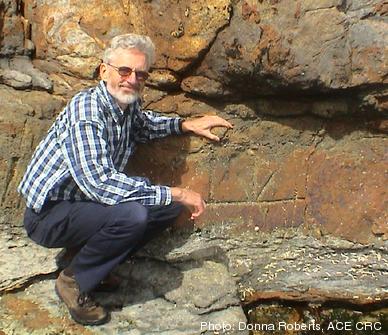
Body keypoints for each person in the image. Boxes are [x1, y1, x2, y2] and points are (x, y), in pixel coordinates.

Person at [17, 33, 233, 326]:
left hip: (85, 207)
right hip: (50, 214)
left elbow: (144, 125)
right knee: (135, 214)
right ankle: (73, 281)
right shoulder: (87, 110)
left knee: (165, 209)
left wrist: (187, 124)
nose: (132, 79)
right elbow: (100, 183)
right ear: (103, 70)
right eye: (124, 70)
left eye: (140, 74)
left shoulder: (125, 105)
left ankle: (85, 259)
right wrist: (177, 192)